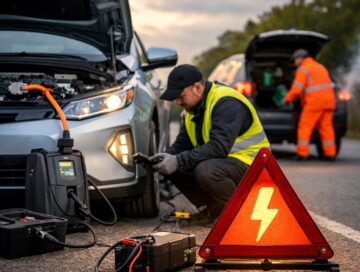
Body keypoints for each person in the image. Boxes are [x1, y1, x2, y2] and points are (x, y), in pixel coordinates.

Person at [150, 64, 270, 225]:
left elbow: (218, 147)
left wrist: (178, 160)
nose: (178, 101)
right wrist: (166, 158)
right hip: (227, 164)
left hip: (255, 168)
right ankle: (213, 210)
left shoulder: (226, 102)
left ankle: (238, 215)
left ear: (197, 88)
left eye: (180, 96)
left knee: (206, 170)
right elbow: (182, 144)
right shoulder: (190, 112)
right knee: (175, 164)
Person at [283, 49, 336, 161]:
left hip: (314, 102)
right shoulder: (320, 67)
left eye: (295, 60)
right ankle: (330, 154)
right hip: (329, 101)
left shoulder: (303, 69)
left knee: (305, 127)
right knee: (326, 128)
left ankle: (302, 154)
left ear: (300, 58)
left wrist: (286, 100)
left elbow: (296, 89)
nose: (295, 62)